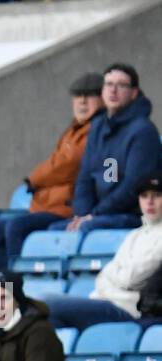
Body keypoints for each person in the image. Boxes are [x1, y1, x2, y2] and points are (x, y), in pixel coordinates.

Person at [0, 73, 102, 277]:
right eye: (78, 95)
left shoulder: (96, 129)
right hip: (49, 206)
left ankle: (20, 293)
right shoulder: (73, 130)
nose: (82, 101)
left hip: (66, 209)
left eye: (89, 95)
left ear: (102, 98)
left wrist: (34, 179)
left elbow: (67, 164)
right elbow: (59, 165)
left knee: (16, 228)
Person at [47, 64, 161, 237]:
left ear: (134, 93)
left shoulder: (143, 131)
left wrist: (95, 214)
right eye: (108, 84)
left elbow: (133, 186)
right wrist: (83, 213)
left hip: (130, 215)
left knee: (86, 229)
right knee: (53, 232)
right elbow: (85, 178)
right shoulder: (97, 127)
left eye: (121, 85)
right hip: (97, 215)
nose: (113, 90)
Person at [45, 173, 162, 331]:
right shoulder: (135, 235)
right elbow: (102, 278)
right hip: (106, 300)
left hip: (127, 309)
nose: (149, 201)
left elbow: (130, 278)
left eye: (157, 195)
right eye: (144, 196)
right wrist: (114, 276)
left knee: (46, 304)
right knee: (40, 315)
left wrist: (113, 276)